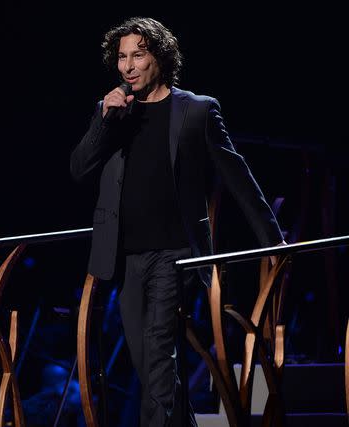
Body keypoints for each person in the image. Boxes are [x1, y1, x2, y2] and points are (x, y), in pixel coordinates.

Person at [70, 17, 285, 426]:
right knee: (149, 366)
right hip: (128, 258)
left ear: (161, 57)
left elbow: (239, 179)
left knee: (157, 353)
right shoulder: (115, 113)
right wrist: (103, 118)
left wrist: (275, 244)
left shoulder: (197, 111)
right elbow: (79, 169)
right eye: (122, 57)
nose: (128, 66)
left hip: (178, 255)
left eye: (138, 55)